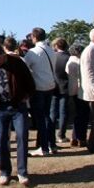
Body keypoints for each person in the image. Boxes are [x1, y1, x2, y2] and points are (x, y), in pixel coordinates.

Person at [0, 43, 35, 186]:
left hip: (17, 106)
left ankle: (22, 172)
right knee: (1, 139)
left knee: (22, 135)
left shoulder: (17, 63)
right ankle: (5, 171)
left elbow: (30, 82)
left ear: (3, 55)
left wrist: (26, 95)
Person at [23, 27, 59, 156]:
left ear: (34, 37)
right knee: (47, 116)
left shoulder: (33, 52)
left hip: (39, 87)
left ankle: (44, 146)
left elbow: (24, 68)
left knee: (41, 118)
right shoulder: (51, 50)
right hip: (50, 85)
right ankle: (52, 144)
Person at [66, 44, 89, 147]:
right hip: (80, 91)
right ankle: (81, 138)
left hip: (71, 91)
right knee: (83, 116)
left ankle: (74, 137)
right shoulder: (79, 62)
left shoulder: (69, 62)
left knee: (76, 116)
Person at [51, 38, 71, 144]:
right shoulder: (68, 57)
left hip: (54, 87)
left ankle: (51, 136)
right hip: (65, 86)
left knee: (53, 113)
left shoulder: (52, 57)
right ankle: (61, 135)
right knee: (63, 112)